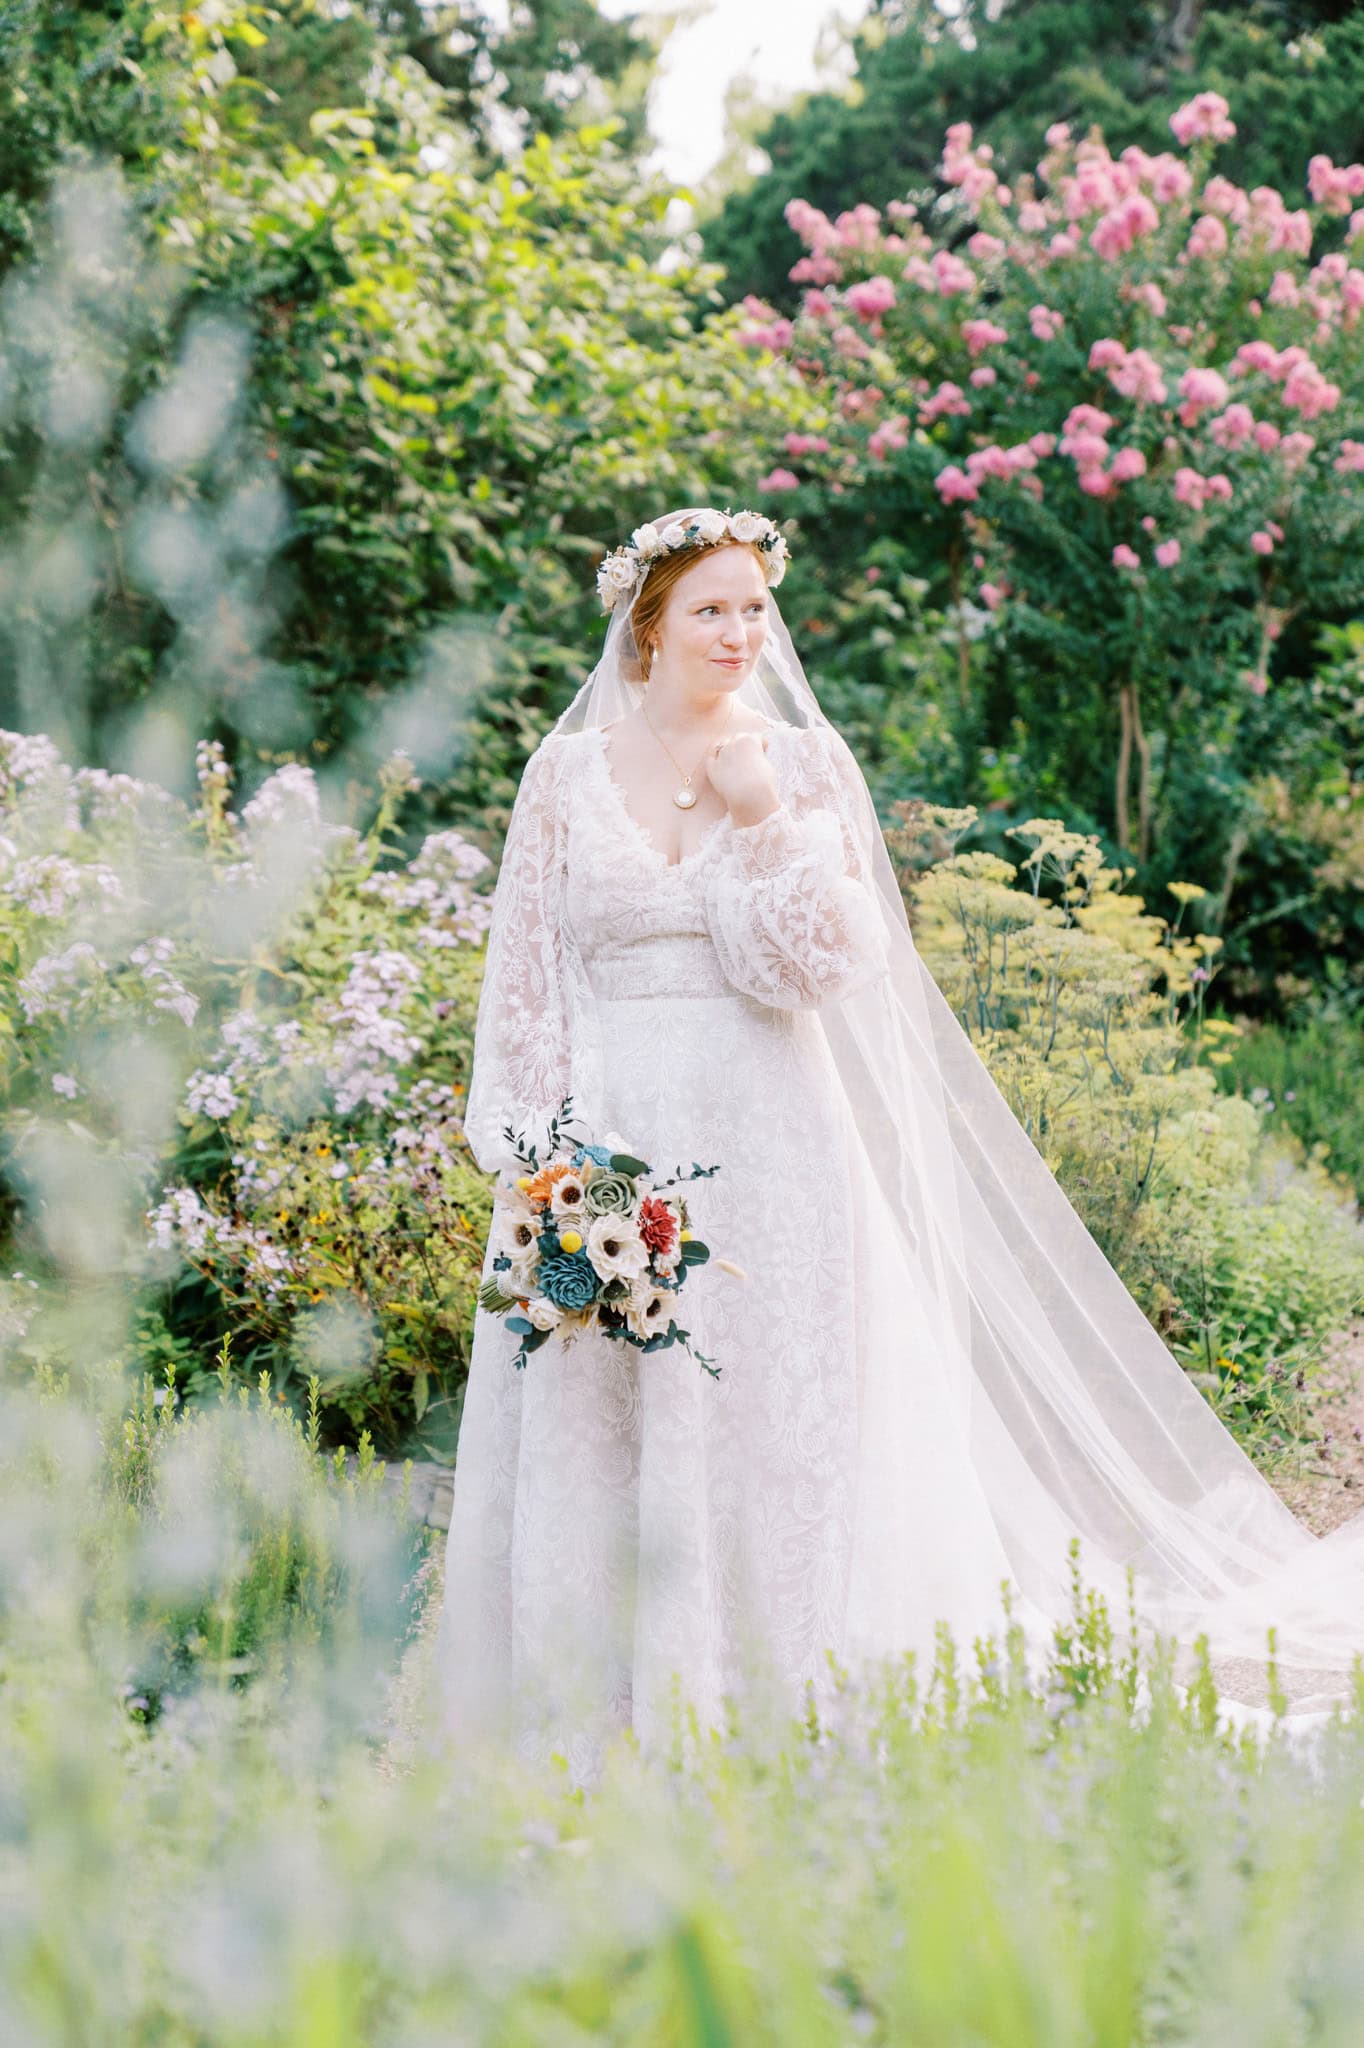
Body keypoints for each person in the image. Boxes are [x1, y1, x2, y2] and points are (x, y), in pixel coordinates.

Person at [434, 506, 1364, 1777]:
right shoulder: (567, 776)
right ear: (646, 621)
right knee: (604, 1422)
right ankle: (602, 1720)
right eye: (710, 606)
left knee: (770, 1429)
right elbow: (528, 985)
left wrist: (761, 818)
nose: (739, 630)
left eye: (755, 606)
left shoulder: (802, 765)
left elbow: (816, 969)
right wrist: (541, 1169)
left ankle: (779, 1701)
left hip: (772, 1147)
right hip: (603, 1148)